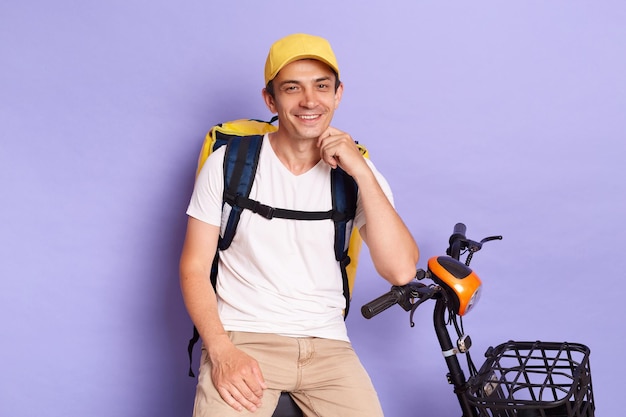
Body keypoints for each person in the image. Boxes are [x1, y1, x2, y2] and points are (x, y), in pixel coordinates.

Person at [180, 33, 419, 417]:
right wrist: (222, 351)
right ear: (270, 100)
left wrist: (360, 170)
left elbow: (401, 269)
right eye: (293, 88)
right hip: (244, 339)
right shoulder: (228, 164)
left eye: (322, 87)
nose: (310, 101)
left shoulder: (358, 173)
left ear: (338, 94)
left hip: (329, 349)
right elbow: (193, 267)